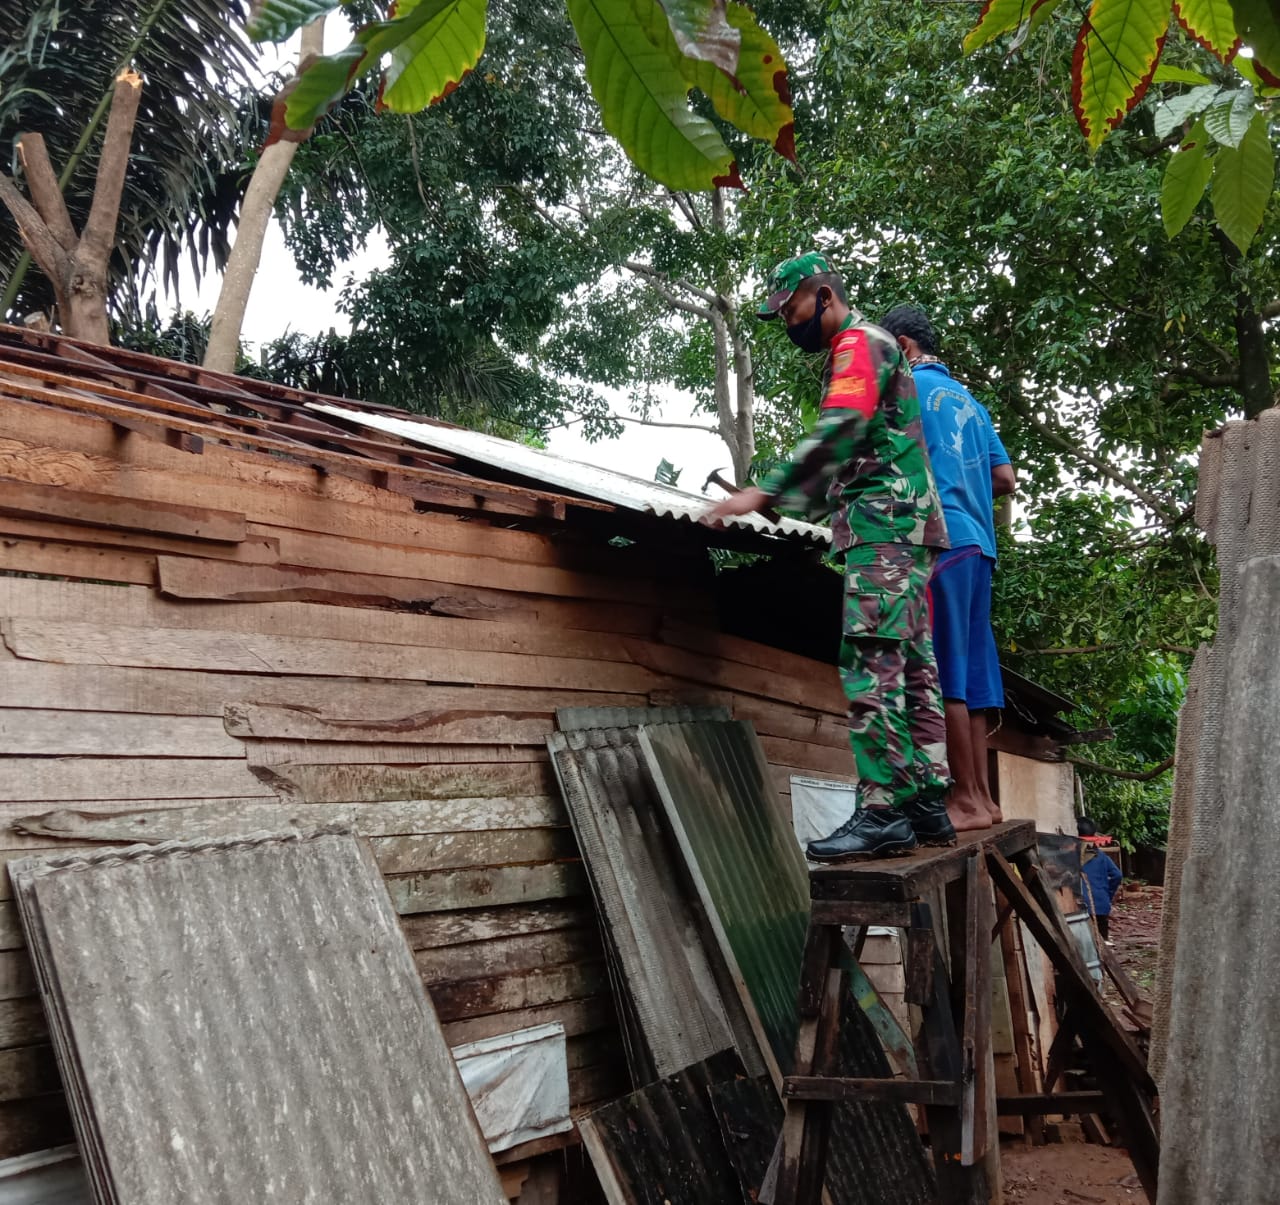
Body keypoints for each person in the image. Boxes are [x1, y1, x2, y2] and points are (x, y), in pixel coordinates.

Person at [703, 252, 953, 860]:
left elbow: (840, 426)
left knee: (871, 660)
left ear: (822, 295)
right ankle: (923, 801)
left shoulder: (858, 345)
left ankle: (882, 809)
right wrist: (795, 505)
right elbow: (859, 452)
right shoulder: (873, 347)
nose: (789, 322)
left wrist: (767, 489)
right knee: (912, 663)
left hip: (884, 528)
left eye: (790, 309)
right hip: (905, 525)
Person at [879, 306, 1015, 833]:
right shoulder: (972, 404)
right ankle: (983, 799)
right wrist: (967, 484)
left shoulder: (907, 390)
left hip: (941, 543)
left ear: (905, 347)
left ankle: (962, 798)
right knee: (974, 679)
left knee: (944, 679)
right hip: (980, 547)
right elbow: (1004, 477)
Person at [1077, 817, 1123, 944]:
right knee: (1103, 943)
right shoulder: (1101, 856)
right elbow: (1117, 875)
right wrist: (1107, 894)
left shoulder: (1071, 856)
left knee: (1086, 945)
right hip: (1102, 904)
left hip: (1081, 906)